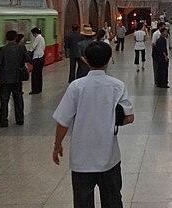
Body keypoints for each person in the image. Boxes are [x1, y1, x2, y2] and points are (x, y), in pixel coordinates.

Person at [52, 42, 134, 208]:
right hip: (109, 157)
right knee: (112, 201)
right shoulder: (117, 86)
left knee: (83, 202)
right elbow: (129, 117)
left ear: (85, 60)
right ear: (108, 59)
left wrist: (57, 145)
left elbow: (63, 121)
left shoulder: (76, 87)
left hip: (81, 159)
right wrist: (111, 120)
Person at [0, 30, 27, 127]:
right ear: (16, 38)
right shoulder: (21, 48)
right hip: (17, 78)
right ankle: (20, 119)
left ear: (6, 38)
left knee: (4, 100)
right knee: (18, 99)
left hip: (5, 79)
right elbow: (28, 58)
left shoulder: (3, 49)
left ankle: (3, 121)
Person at [29, 27, 45, 95]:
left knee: (35, 74)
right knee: (39, 74)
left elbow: (33, 47)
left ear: (35, 33)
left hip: (37, 57)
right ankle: (39, 88)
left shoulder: (38, 38)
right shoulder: (42, 38)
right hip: (41, 56)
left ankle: (35, 90)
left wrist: (28, 52)